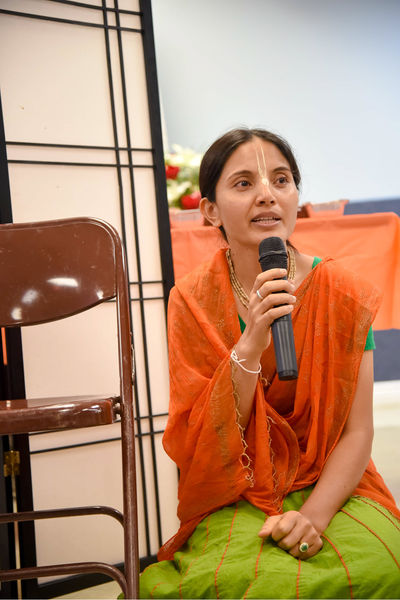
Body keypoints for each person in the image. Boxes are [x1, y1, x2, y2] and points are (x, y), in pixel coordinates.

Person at [140, 128, 400, 599]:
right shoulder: (192, 300)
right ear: (209, 211)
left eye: (281, 180)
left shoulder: (343, 293)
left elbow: (357, 433)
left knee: (380, 571)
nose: (267, 195)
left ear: (296, 196)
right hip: (236, 485)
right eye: (244, 183)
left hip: (333, 481)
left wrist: (313, 518)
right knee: (228, 583)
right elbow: (206, 441)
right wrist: (251, 343)